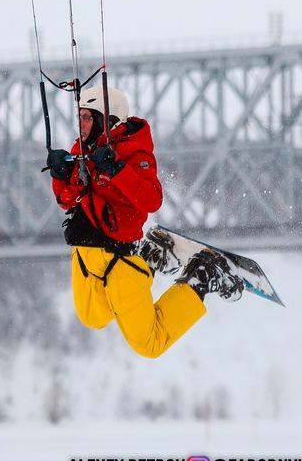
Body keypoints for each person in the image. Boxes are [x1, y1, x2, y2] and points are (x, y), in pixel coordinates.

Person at [46, 85, 242, 358]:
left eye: (87, 117)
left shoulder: (133, 152)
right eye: (79, 117)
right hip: (85, 256)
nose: (80, 124)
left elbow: (152, 200)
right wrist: (59, 174)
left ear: (108, 119)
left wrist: (116, 169)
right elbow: (67, 200)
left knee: (150, 344)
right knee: (91, 317)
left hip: (119, 263)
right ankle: (151, 257)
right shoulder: (83, 150)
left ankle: (200, 277)